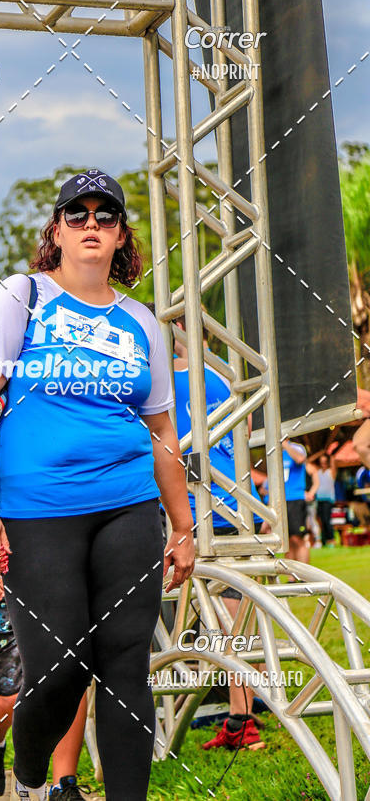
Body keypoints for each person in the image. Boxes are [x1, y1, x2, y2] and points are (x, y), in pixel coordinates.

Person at [0, 169, 195, 801]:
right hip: (37, 514)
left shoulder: (143, 322)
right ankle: (31, 775)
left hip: (129, 508)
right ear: (57, 231)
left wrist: (184, 526)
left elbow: (163, 433)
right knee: (59, 667)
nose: (92, 225)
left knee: (124, 666)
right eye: (78, 214)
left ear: (121, 237)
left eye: (106, 216)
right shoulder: (22, 297)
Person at [171, 317, 265, 752]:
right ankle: (237, 719)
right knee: (236, 624)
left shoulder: (168, 381)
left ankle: (241, 722)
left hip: (196, 513)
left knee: (226, 627)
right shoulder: (226, 377)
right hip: (238, 505)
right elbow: (245, 436)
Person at [0, 505, 89, 799]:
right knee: (13, 696)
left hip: (62, 592)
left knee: (71, 681)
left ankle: (63, 785)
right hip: (0, 604)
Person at [282, 440, 310, 564]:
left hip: (295, 499)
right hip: (282, 500)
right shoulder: (278, 452)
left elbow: (300, 459)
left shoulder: (296, 448)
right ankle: (291, 579)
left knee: (298, 538)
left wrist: (285, 444)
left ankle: (304, 577)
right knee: (287, 541)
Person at [309, 454, 336, 546]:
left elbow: (333, 460)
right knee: (320, 520)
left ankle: (331, 539)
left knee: (326, 519)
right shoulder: (318, 471)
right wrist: (320, 453)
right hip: (319, 499)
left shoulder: (331, 471)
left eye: (325, 462)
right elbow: (308, 461)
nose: (323, 464)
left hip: (328, 500)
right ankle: (324, 541)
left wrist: (328, 453)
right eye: (321, 462)